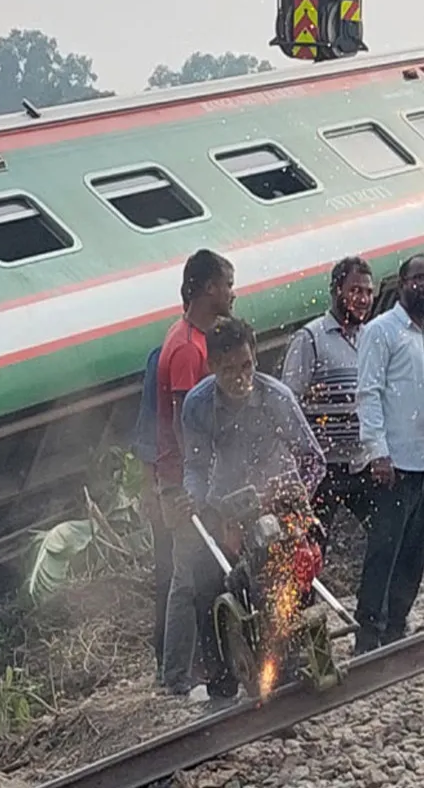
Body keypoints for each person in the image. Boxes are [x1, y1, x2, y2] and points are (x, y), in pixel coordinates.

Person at [179, 316, 327, 705]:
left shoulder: (277, 397)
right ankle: (222, 685)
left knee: (287, 579)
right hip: (225, 504)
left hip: (279, 503)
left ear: (254, 358)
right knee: (206, 583)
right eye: (228, 369)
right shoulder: (197, 405)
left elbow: (313, 459)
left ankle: (297, 674)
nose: (240, 377)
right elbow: (194, 466)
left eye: (246, 366)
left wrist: (294, 500)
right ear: (211, 366)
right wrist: (194, 498)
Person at [354, 254, 424, 653]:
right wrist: (377, 452)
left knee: (414, 550)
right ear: (401, 285)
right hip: (394, 463)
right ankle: (369, 631)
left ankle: (397, 623)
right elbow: (369, 393)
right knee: (384, 549)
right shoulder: (381, 332)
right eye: (418, 279)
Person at [157, 249, 235, 696]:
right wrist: (197, 486)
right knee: (186, 577)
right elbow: (189, 424)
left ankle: (196, 669)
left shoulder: (194, 336)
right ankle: (177, 679)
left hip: (191, 475)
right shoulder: (188, 349)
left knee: (198, 573)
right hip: (185, 478)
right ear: (208, 288)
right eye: (227, 283)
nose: (232, 292)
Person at [280, 257, 376, 554]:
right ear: (336, 291)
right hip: (323, 470)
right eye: (355, 291)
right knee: (309, 550)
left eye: (368, 292)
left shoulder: (371, 337)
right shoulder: (310, 339)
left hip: (364, 463)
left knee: (386, 536)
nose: (363, 299)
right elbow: (287, 405)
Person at [131, 344, 166, 682]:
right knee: (172, 575)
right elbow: (148, 430)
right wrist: (149, 488)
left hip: (210, 486)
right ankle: (168, 662)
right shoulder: (167, 354)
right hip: (172, 486)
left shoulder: (226, 344)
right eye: (227, 286)